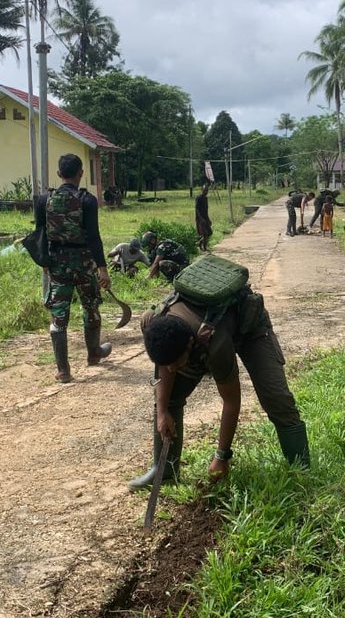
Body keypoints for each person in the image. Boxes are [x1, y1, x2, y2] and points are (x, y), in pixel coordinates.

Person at [128, 268, 310, 489]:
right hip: (202, 333)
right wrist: (162, 412)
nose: (172, 369)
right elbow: (165, 366)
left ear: (190, 344)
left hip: (250, 328)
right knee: (169, 398)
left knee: (277, 399)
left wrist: (221, 456)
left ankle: (302, 471)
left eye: (177, 363)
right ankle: (164, 470)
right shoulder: (152, 321)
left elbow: (231, 402)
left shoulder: (215, 345)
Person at [35, 154, 112, 383]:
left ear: (59, 174)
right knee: (91, 306)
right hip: (84, 262)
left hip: (57, 263)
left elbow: (40, 234)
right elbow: (93, 237)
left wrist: (46, 263)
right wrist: (103, 269)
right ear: (81, 173)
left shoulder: (43, 199)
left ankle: (63, 370)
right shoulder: (87, 201)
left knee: (58, 315)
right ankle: (93, 353)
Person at [195, 184, 213, 251]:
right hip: (200, 218)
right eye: (205, 190)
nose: (206, 191)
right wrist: (201, 219)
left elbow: (206, 210)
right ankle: (204, 247)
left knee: (209, 232)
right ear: (202, 190)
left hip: (205, 217)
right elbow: (197, 209)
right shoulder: (198, 198)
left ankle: (200, 242)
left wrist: (208, 219)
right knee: (204, 233)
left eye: (207, 190)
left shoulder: (206, 198)